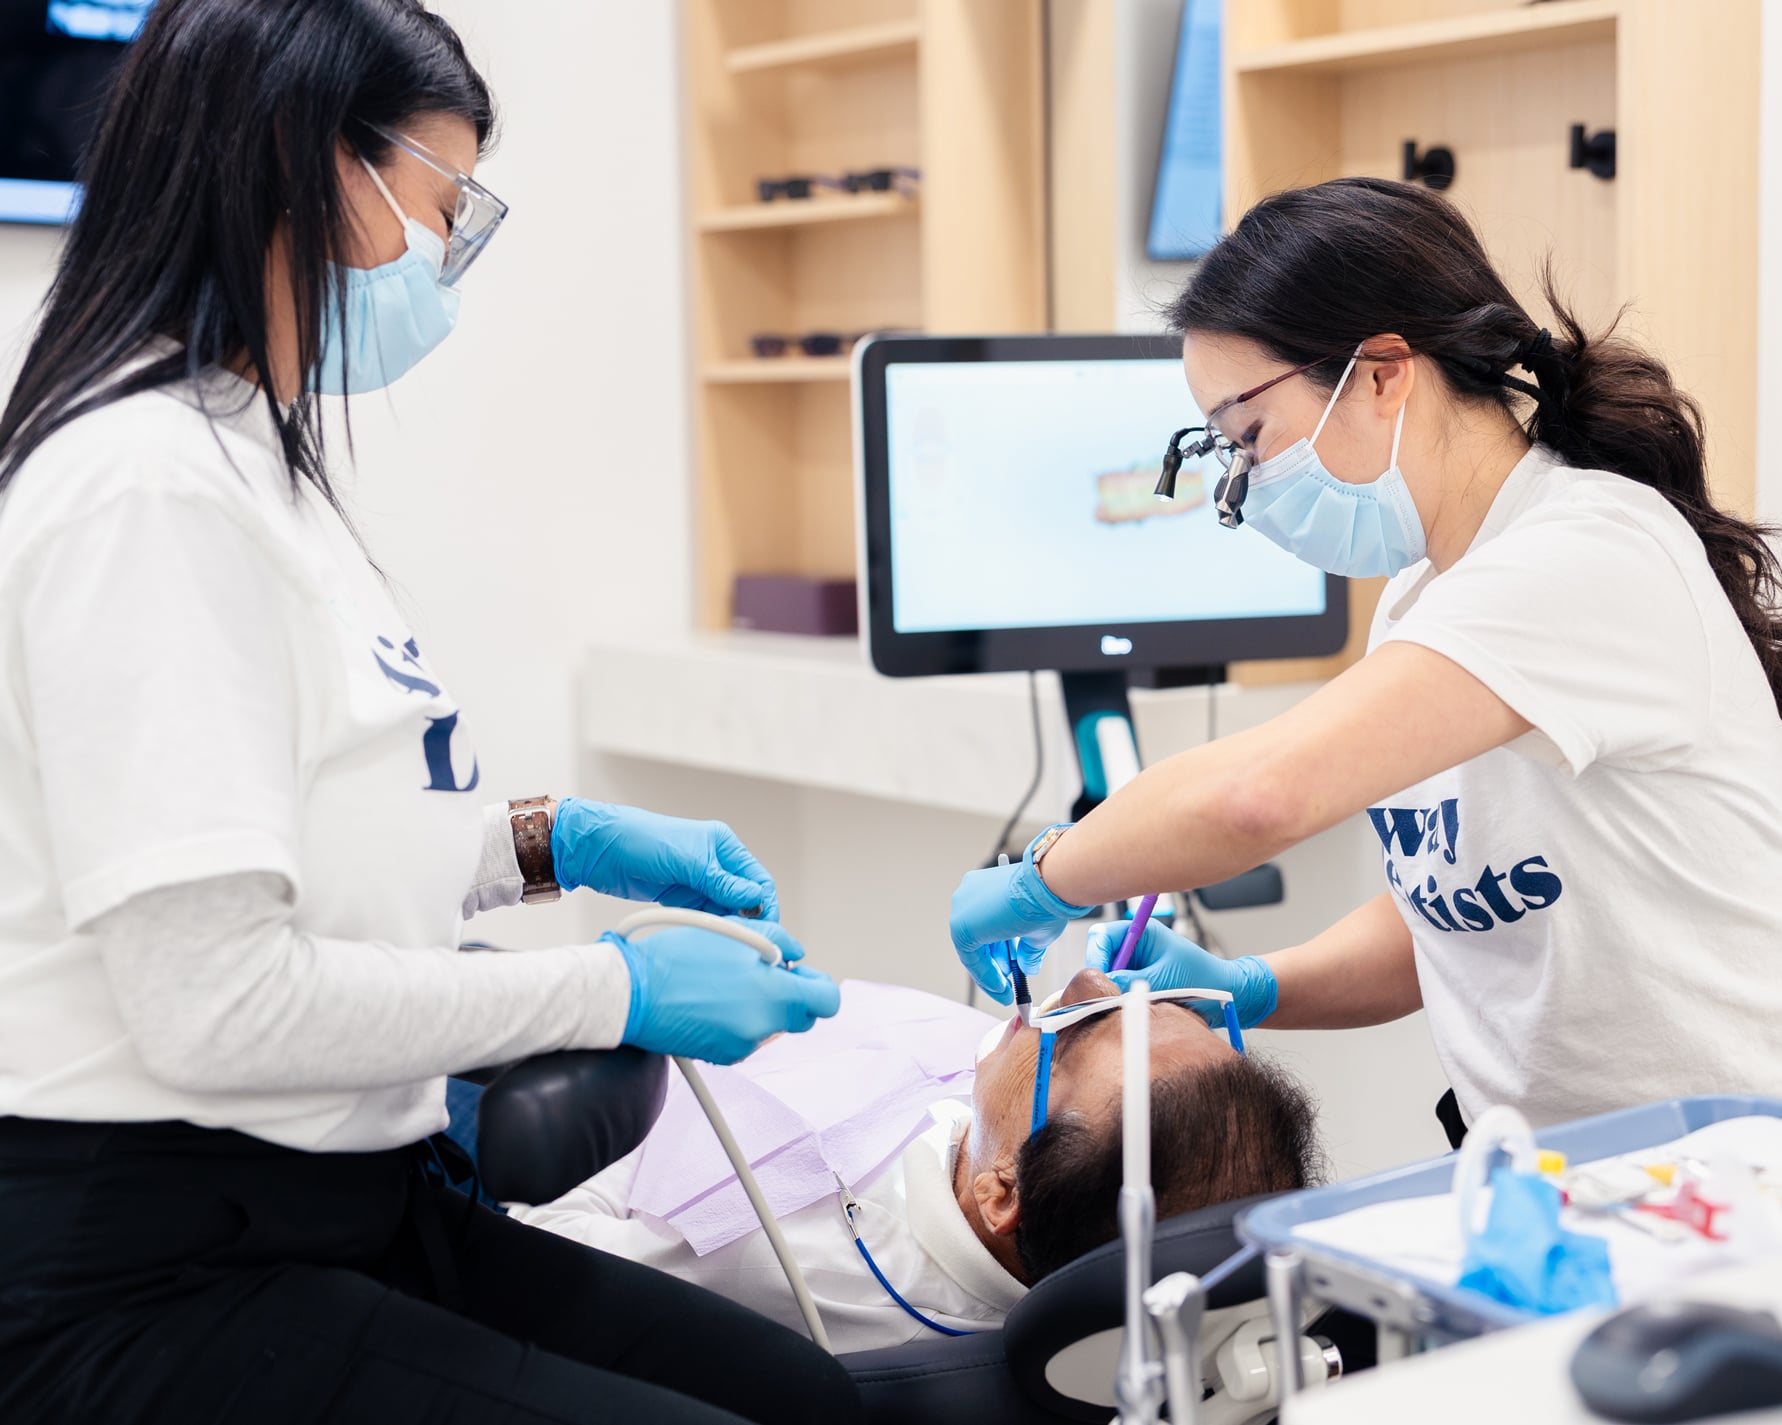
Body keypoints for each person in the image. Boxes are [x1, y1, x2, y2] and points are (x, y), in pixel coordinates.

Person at [0, 3, 854, 1423]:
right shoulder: (139, 489)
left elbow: (303, 826)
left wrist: (549, 844)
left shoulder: (241, 457)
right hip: (147, 1268)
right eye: (440, 206)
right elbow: (219, 1003)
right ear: (296, 158)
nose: (446, 261)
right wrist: (616, 985)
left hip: (351, 1203)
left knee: (807, 1399)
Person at [950, 176, 1782, 1146]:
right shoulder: (1427, 595)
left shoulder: (1584, 555)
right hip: (1561, 1176)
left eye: (1249, 437)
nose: (1244, 483)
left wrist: (1045, 874)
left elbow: (1256, 798)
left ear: (1383, 372)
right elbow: (1461, 913)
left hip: (1729, 1176)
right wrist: (1251, 988)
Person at [512, 968, 1322, 1351]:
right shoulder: (1012, 1142)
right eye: (1135, 998)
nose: (1083, 975)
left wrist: (642, 1062)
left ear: (1002, 1193)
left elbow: (540, 1242)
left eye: (1079, 1025)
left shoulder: (780, 1249)